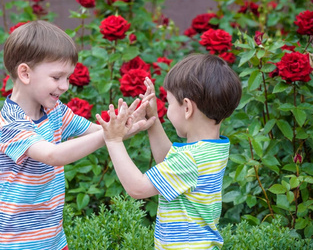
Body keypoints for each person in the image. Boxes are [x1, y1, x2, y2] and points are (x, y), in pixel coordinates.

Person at [0, 20, 150, 250]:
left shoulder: (54, 111)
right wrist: (111, 135)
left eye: (68, 77)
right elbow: (53, 155)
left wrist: (128, 124)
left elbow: (99, 132)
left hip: (53, 239)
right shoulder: (10, 125)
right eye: (56, 77)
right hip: (16, 243)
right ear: (25, 73)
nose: (65, 86)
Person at [96, 54, 242, 250]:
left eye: (170, 102)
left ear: (187, 108)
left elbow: (138, 188)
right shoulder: (214, 148)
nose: (168, 108)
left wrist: (113, 140)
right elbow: (168, 163)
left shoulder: (190, 159)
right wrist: (153, 120)